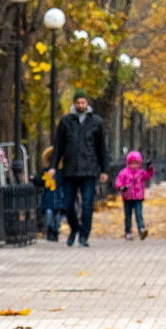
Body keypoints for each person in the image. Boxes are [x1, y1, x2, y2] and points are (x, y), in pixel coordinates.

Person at [51, 96, 111, 247]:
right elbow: (58, 146)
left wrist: (104, 170)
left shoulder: (96, 122)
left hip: (89, 170)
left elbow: (101, 148)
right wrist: (53, 166)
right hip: (70, 170)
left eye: (83, 102)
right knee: (68, 204)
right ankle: (74, 228)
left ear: (87, 104)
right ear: (74, 104)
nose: (80, 105)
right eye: (78, 102)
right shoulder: (66, 121)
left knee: (87, 204)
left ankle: (84, 235)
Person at [114, 150, 152, 239]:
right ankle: (128, 231)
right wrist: (121, 187)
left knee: (139, 214)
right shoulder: (124, 172)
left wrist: (150, 168)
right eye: (132, 163)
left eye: (136, 163)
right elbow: (118, 182)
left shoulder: (141, 173)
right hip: (127, 197)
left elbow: (148, 175)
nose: (134, 165)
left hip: (138, 197)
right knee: (128, 216)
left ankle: (141, 229)